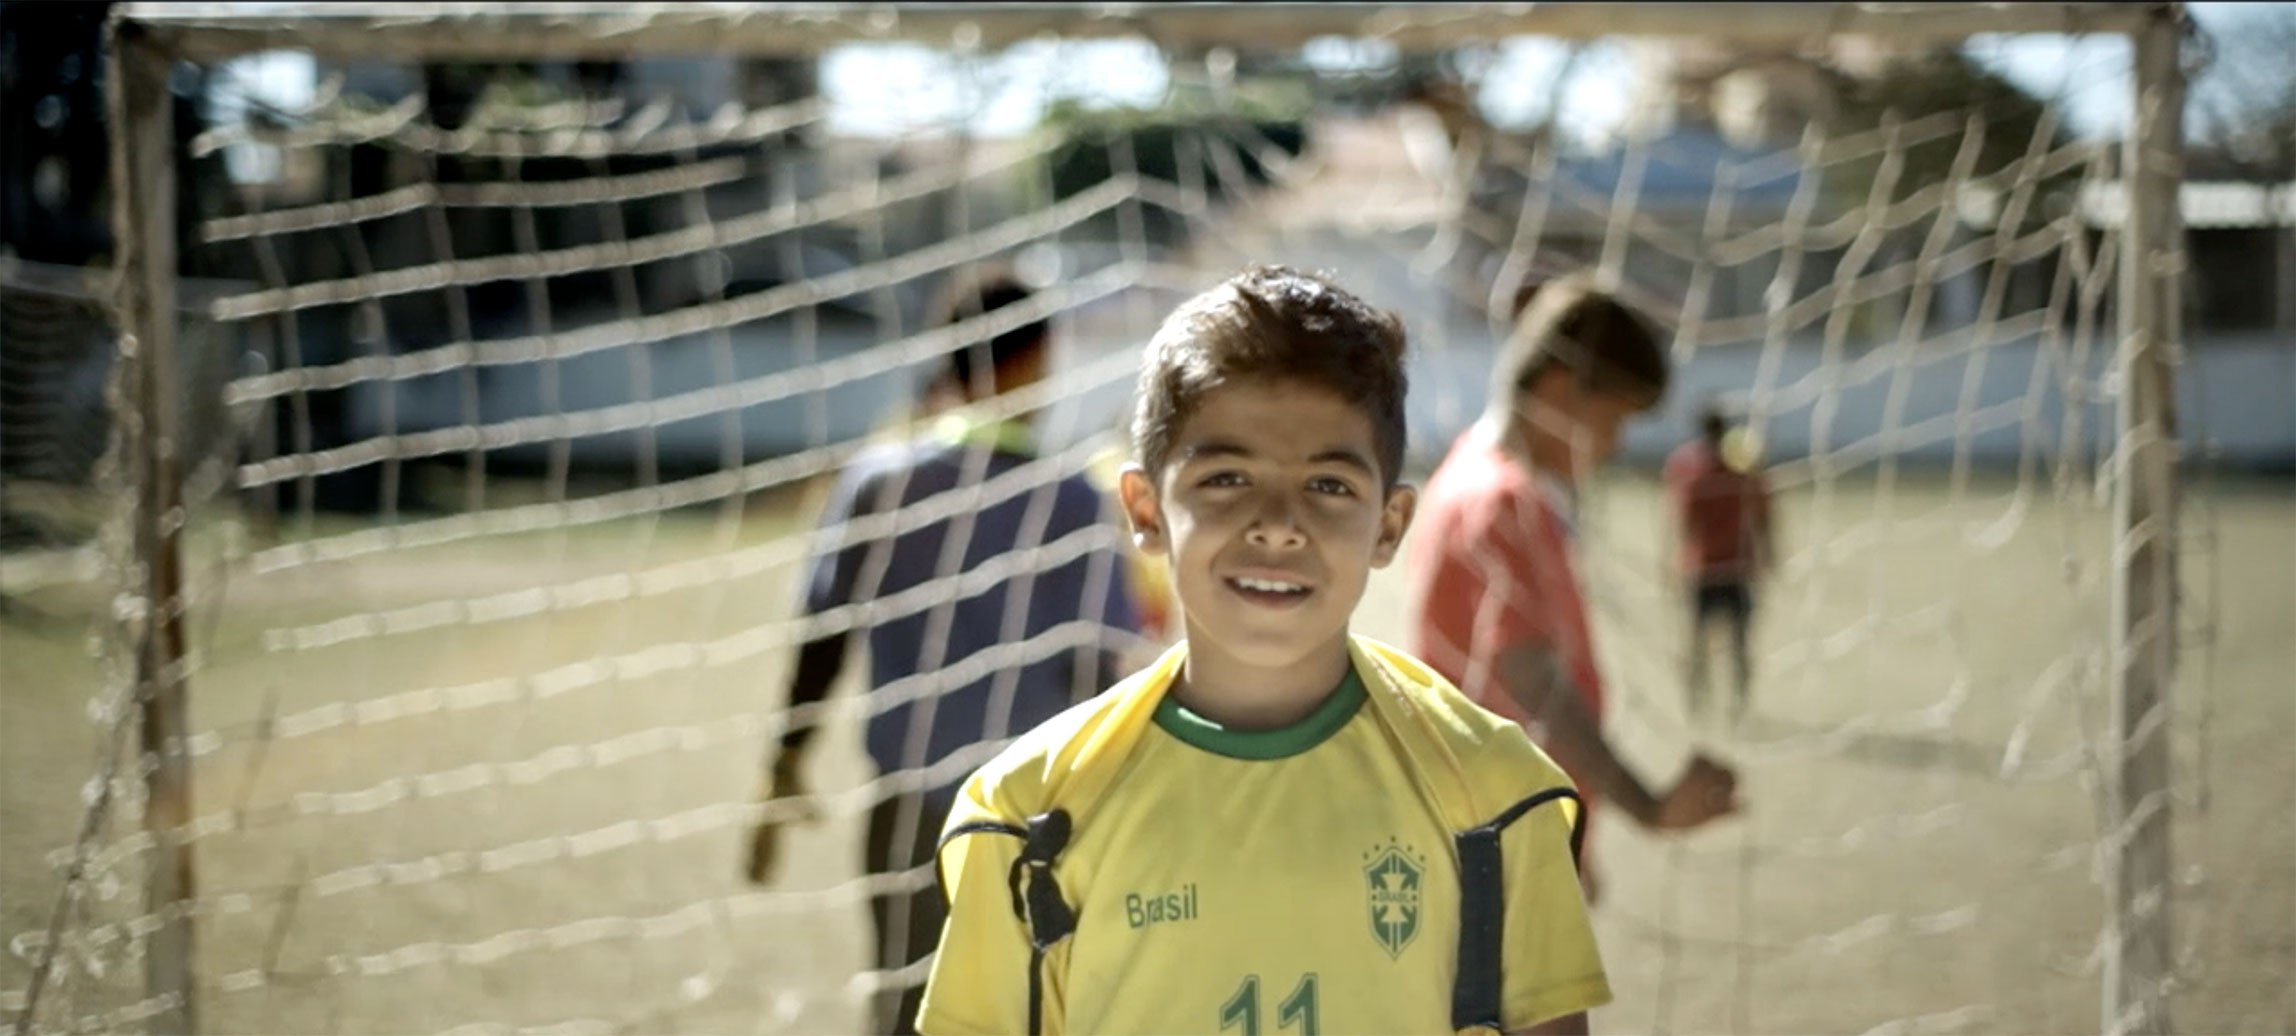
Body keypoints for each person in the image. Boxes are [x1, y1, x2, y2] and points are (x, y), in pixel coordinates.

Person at [919, 266, 1609, 1036]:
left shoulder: (1497, 795)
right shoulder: (1029, 814)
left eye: (1328, 486)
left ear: (1388, 525)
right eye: (1227, 477)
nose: (1278, 525)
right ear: (1145, 511)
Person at [745, 267, 1143, 1036]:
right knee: (1031, 1007)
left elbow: (825, 631)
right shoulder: (1071, 499)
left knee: (908, 1007)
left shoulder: (877, 483)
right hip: (1037, 814)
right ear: (1036, 359)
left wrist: (784, 762)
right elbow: (1099, 667)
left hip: (907, 808)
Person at [1406, 273, 1741, 905]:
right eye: (1613, 419)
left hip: (1501, 836)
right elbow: (1532, 679)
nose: (1614, 445)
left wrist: (1570, 838)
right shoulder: (1499, 501)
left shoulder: (1476, 476)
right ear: (1560, 390)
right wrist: (1648, 805)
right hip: (1490, 853)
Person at [1663, 402, 1775, 719]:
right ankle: (1736, 704)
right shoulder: (1744, 468)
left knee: (1700, 643)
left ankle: (1699, 704)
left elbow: (1682, 522)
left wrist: (1673, 561)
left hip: (1706, 569)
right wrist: (1769, 553)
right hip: (1732, 568)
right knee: (1736, 644)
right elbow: (1764, 516)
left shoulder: (1691, 469)